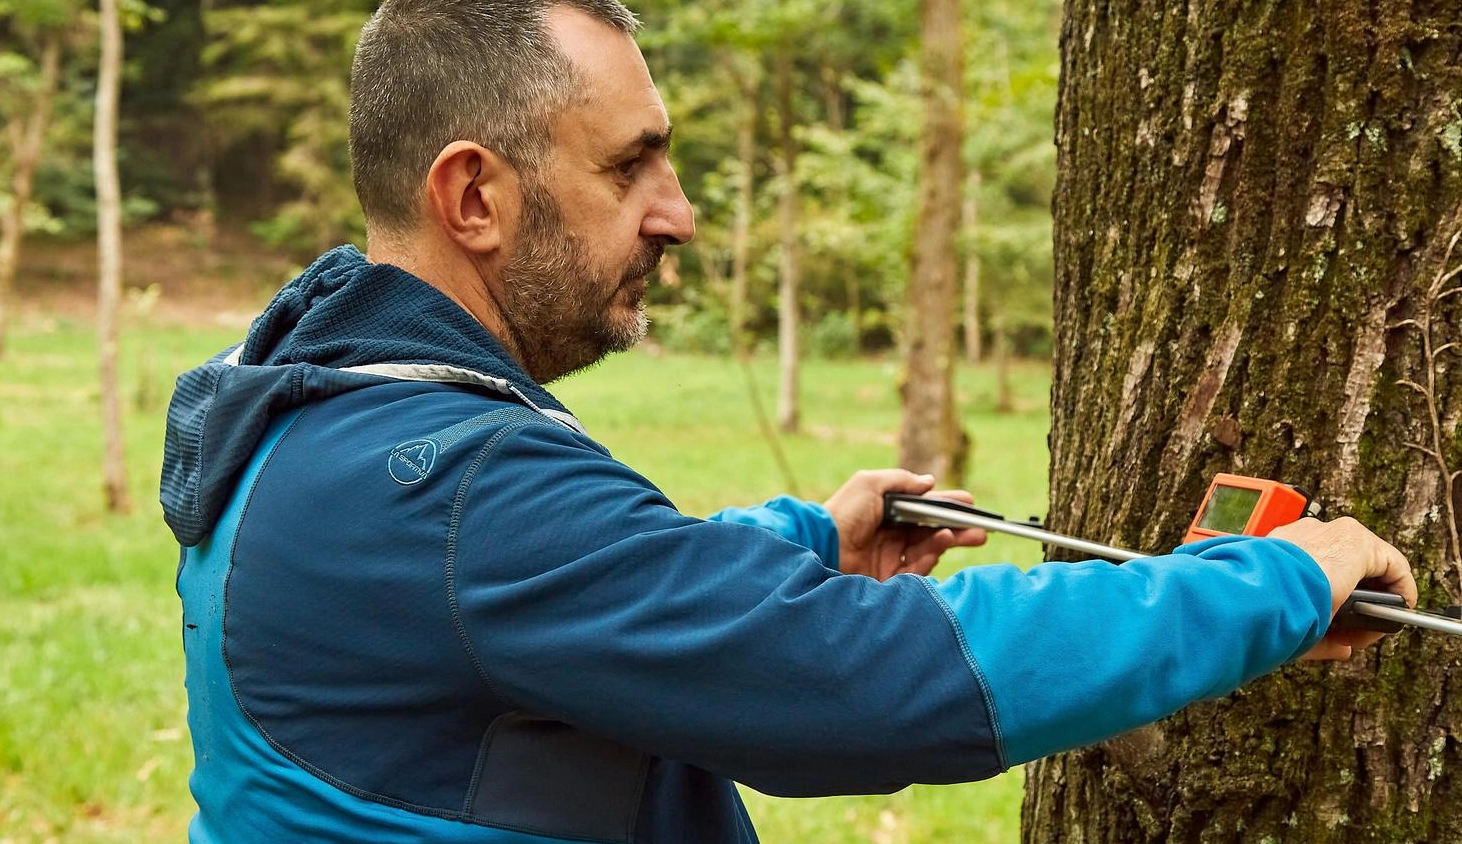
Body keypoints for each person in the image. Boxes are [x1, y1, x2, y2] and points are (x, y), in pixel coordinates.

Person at [159, 2, 1416, 842]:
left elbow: (539, 615)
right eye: (627, 166)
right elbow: (883, 685)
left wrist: (799, 542)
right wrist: (1271, 584)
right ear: (473, 195)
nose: (679, 211)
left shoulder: (303, 405)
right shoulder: (455, 491)